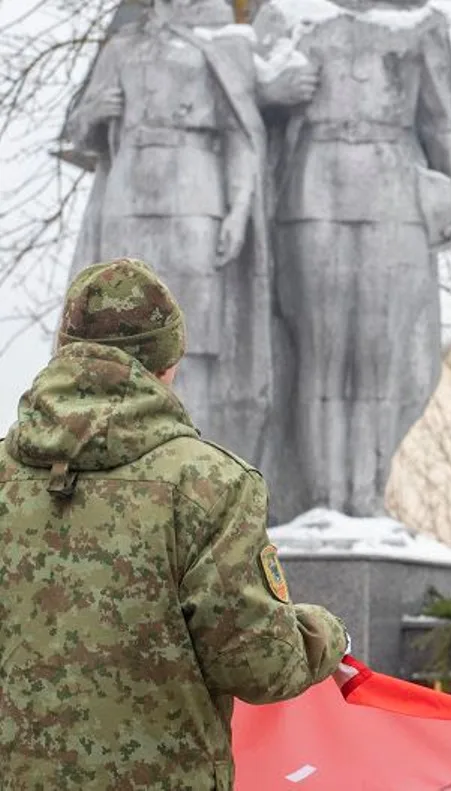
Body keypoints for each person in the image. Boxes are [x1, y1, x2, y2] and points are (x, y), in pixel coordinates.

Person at [0, 259, 348, 789]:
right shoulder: (211, 485)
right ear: (167, 364)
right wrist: (327, 633)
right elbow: (260, 664)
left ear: (64, 351)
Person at [251, 0, 451, 520]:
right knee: (320, 351)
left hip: (394, 186)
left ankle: (366, 497)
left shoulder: (421, 25)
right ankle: (322, 500)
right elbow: (240, 105)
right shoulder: (285, 15)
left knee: (381, 353)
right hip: (313, 186)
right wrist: (271, 93)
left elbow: (443, 122)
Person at [63, 0, 273, 461]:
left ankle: (190, 454)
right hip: (129, 194)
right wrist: (94, 111)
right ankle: (119, 453)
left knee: (194, 337)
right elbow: (78, 132)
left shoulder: (223, 39)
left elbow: (240, 134)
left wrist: (239, 208)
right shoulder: (124, 45)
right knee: (116, 328)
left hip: (198, 195)